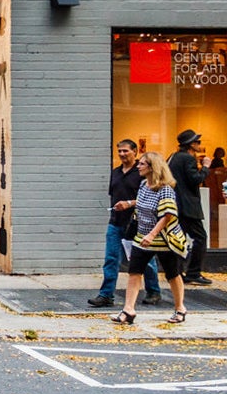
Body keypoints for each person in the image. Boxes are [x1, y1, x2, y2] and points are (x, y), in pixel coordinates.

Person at [113, 151, 189, 326]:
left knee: (172, 274)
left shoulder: (165, 189)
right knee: (134, 271)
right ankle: (128, 309)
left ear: (152, 167)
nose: (138, 166)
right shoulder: (143, 185)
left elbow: (168, 215)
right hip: (142, 236)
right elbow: (141, 203)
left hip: (164, 239)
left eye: (142, 164)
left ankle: (180, 308)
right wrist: (129, 204)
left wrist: (152, 234)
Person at [89, 139, 161, 308]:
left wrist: (129, 203)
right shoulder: (115, 172)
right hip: (115, 222)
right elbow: (113, 194)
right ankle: (106, 294)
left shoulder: (141, 173)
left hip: (138, 223)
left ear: (135, 152)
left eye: (125, 151)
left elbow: (150, 197)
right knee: (111, 258)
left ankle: (153, 291)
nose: (122, 154)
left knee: (145, 259)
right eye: (120, 151)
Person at [167, 129, 212, 286]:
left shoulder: (173, 157)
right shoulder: (188, 159)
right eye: (197, 142)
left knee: (179, 239)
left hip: (175, 204)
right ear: (191, 144)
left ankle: (177, 272)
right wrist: (205, 167)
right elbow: (195, 179)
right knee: (200, 237)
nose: (199, 144)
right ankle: (193, 272)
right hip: (188, 206)